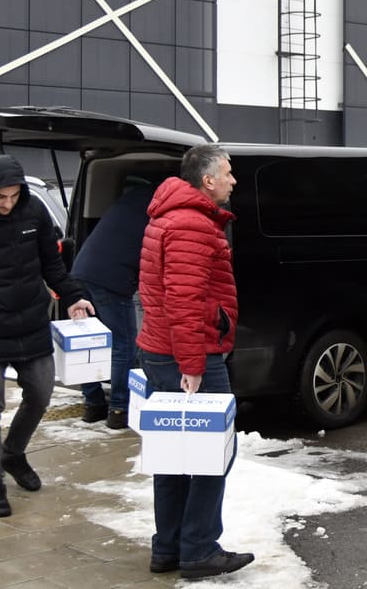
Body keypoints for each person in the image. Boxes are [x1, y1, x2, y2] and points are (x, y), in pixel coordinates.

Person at [136, 145, 254, 580]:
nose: (233, 180)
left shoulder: (170, 215)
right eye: (228, 173)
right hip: (189, 353)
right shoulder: (191, 224)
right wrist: (193, 364)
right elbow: (183, 300)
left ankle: (168, 547)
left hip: (161, 349)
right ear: (207, 181)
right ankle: (199, 549)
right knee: (213, 452)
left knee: (172, 453)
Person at [0, 155, 94, 518]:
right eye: (0, 197)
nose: (7, 203)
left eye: (13, 196)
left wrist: (74, 296)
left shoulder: (34, 213)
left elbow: (52, 262)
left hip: (31, 322)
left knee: (41, 394)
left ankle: (13, 453)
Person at [74, 179, 155, 429]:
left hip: (81, 272)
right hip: (110, 281)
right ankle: (119, 408)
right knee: (123, 346)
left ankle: (93, 404)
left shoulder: (130, 200)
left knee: (90, 344)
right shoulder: (158, 208)